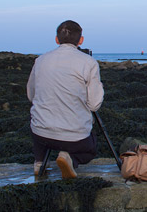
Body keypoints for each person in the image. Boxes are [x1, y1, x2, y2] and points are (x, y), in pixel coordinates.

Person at [27, 20, 104, 178]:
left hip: (41, 135)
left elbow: (31, 95)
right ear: (80, 40)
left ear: (57, 39)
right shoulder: (88, 63)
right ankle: (70, 159)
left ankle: (39, 162)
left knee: (39, 122)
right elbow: (94, 104)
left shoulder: (40, 61)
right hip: (75, 138)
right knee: (91, 147)